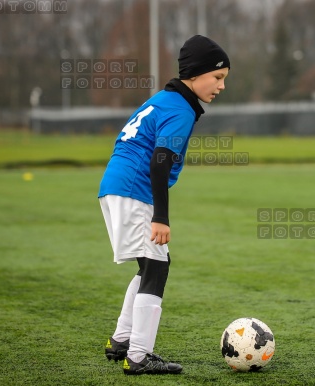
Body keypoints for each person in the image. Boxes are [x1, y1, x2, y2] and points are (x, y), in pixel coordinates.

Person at [98, 35, 230, 376]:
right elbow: (159, 162)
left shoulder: (163, 100)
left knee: (150, 265)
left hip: (115, 187)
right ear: (196, 74)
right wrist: (160, 217)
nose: (222, 86)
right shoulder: (181, 109)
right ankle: (139, 356)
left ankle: (121, 341)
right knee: (156, 268)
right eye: (218, 77)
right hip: (134, 190)